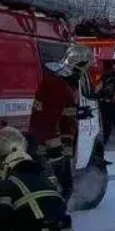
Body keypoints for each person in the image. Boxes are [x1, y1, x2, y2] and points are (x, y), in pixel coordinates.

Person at [29, 44, 93, 202]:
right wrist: (56, 152)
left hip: (54, 150)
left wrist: (76, 113)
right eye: (83, 70)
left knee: (59, 188)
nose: (82, 75)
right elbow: (45, 120)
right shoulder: (56, 85)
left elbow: (60, 115)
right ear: (76, 66)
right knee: (60, 189)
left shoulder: (61, 84)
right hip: (49, 152)